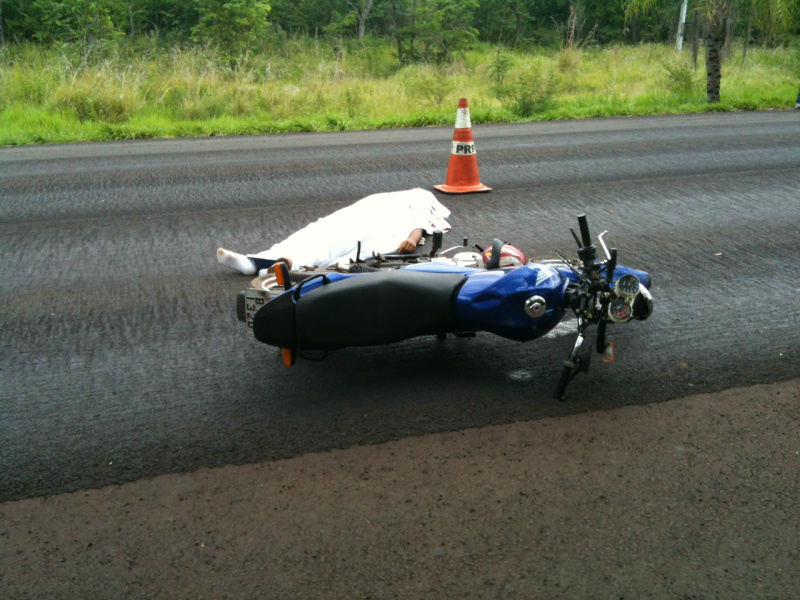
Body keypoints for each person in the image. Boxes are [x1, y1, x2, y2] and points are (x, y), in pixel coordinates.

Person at [216, 188, 452, 276]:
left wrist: (413, 237)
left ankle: (281, 265)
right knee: (320, 231)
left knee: (343, 252)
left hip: (382, 226)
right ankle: (258, 260)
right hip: (367, 210)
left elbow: (422, 222)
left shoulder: (424, 198)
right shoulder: (399, 195)